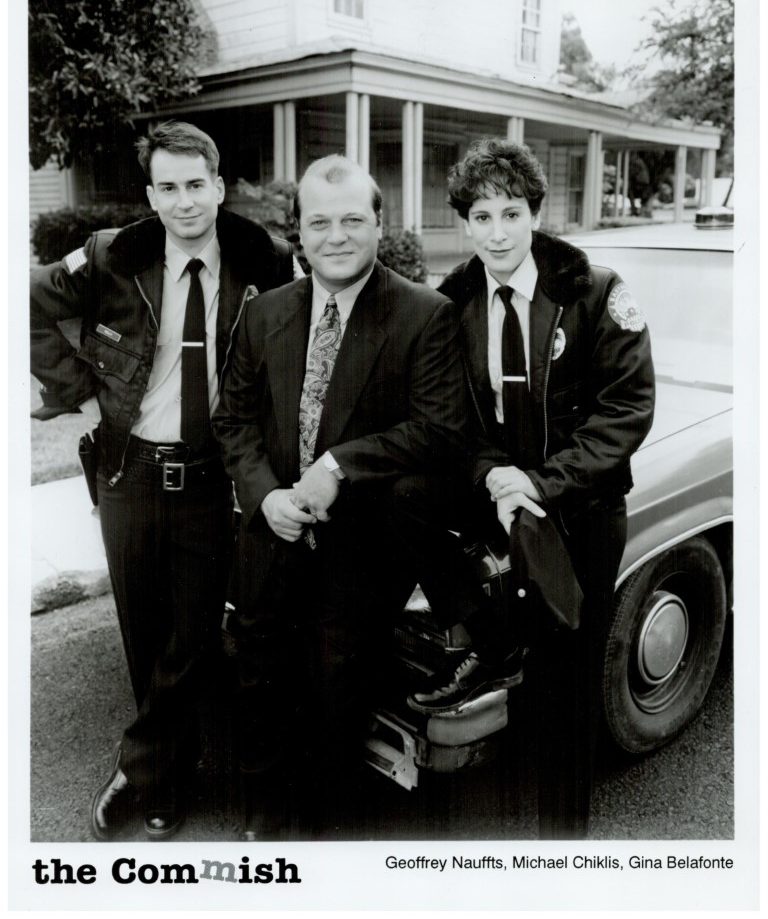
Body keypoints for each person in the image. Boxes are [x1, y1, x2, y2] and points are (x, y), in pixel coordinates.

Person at [29, 121, 296, 841]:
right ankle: (168, 782)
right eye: (168, 187)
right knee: (144, 636)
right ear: (150, 195)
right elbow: (27, 299)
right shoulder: (112, 254)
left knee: (195, 638)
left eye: (196, 185)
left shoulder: (265, 258)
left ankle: (137, 764)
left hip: (211, 478)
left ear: (220, 186)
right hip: (128, 473)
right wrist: (79, 396)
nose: (184, 202)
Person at [212, 154, 468, 838]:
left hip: (359, 552)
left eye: (352, 220)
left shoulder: (425, 314)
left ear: (380, 224)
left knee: (335, 698)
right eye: (319, 223)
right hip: (270, 539)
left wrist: (339, 465)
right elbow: (232, 420)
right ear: (298, 231)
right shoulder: (264, 313)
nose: (336, 236)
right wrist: (264, 495)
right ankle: (264, 822)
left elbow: (440, 428)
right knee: (258, 683)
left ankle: (328, 839)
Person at [408, 138, 655, 839]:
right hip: (499, 497)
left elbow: (626, 410)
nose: (497, 233)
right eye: (481, 216)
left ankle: (563, 842)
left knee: (566, 683)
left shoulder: (594, 291)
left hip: (579, 509)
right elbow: (453, 414)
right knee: (402, 496)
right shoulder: (453, 302)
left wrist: (541, 484)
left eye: (511, 213)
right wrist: (492, 474)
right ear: (464, 223)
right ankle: (491, 642)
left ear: (536, 214)